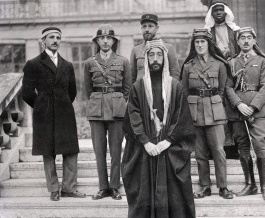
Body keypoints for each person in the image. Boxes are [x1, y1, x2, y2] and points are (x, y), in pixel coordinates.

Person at [122, 39, 196, 218]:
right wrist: (146, 142)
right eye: (151, 55)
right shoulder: (138, 87)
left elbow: (181, 116)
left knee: (175, 194)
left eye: (159, 55)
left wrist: (168, 140)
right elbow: (133, 116)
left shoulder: (175, 86)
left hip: (168, 148)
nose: (155, 59)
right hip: (145, 147)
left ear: (165, 58)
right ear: (146, 59)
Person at [22, 27, 86, 201]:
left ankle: (69, 188)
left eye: (58, 37)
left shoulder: (67, 65)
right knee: (48, 151)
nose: (55, 40)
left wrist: (62, 104)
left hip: (65, 112)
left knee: (71, 150)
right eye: (51, 37)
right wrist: (41, 106)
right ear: (43, 41)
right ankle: (53, 189)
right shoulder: (33, 64)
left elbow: (72, 91)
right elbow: (26, 92)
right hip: (44, 114)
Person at [181, 28, 233, 200]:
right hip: (194, 113)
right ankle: (204, 186)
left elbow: (223, 89)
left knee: (218, 151)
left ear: (209, 44)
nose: (200, 45)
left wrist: (217, 106)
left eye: (203, 41)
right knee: (200, 153)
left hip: (215, 112)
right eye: (197, 42)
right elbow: (184, 91)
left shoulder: (220, 64)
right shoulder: (188, 66)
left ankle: (223, 187)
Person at [84, 24, 131, 200]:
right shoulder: (89, 62)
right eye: (101, 38)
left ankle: (115, 187)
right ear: (97, 41)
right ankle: (103, 187)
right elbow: (88, 89)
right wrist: (98, 101)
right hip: (96, 109)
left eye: (108, 38)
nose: (105, 41)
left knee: (116, 150)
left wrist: (117, 101)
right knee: (99, 150)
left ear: (113, 41)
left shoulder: (123, 61)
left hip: (117, 109)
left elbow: (127, 88)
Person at [225, 27, 265, 201]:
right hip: (237, 111)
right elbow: (227, 86)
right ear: (237, 42)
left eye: (249, 37)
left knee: (259, 145)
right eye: (242, 38)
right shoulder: (231, 63)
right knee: (242, 147)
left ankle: (264, 186)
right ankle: (250, 185)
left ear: (254, 40)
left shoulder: (263, 61)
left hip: (258, 111)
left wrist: (251, 107)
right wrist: (238, 104)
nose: (245, 41)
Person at [204, 0, 240, 159]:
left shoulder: (235, 30)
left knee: (232, 107)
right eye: (215, 11)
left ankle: (234, 147)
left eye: (221, 10)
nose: (218, 13)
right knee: (216, 107)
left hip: (233, 72)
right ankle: (215, 147)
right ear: (211, 14)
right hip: (214, 71)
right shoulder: (206, 32)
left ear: (226, 13)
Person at [130, 13, 180, 83]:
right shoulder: (136, 50)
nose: (147, 29)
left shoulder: (168, 48)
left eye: (150, 26)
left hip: (162, 91)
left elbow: (175, 75)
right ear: (141, 28)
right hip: (141, 91)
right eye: (144, 26)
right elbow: (132, 77)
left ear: (156, 28)